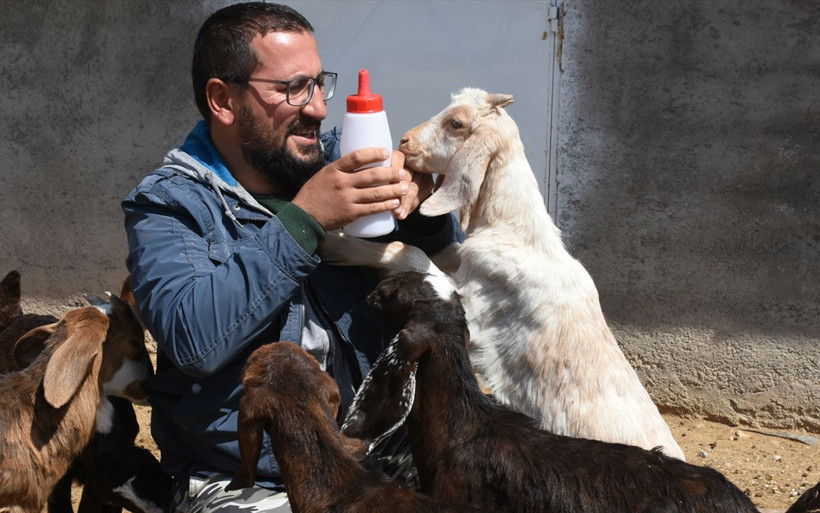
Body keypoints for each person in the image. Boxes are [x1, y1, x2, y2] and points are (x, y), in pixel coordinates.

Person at [121, 2, 460, 512]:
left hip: (379, 452)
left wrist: (423, 205)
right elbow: (193, 341)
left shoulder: (331, 162)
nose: (319, 107)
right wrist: (303, 221)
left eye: (320, 83)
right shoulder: (170, 206)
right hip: (249, 479)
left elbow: (436, 261)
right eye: (293, 88)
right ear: (223, 100)